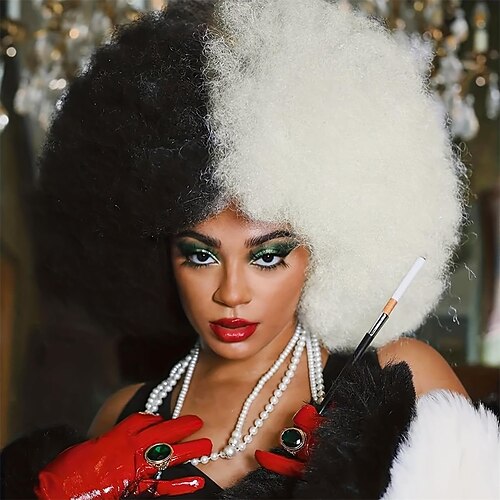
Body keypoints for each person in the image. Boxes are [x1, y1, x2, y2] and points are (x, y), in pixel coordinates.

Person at [7, 0, 499, 498]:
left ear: (325, 251)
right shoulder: (123, 414)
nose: (231, 293)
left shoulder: (398, 379)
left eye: (267, 257)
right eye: (201, 255)